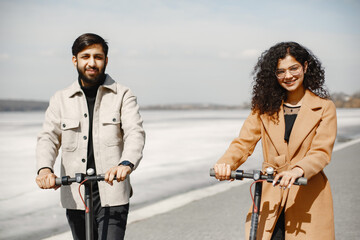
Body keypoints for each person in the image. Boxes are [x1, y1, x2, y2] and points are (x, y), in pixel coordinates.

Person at [213, 42, 336, 239]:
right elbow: (243, 142)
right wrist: (226, 163)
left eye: (293, 68)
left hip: (307, 191)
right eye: (281, 71)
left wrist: (298, 170)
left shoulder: (324, 108)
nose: (288, 76)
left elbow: (321, 152)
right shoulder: (264, 107)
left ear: (305, 67)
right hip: (271, 192)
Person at [35, 33, 145, 240]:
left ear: (106, 60)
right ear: (75, 60)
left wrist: (126, 163)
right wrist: (44, 169)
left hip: (113, 192)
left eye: (98, 57)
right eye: (85, 57)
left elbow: (134, 132)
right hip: (75, 193)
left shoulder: (122, 94)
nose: (92, 63)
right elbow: (48, 137)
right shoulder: (60, 99)